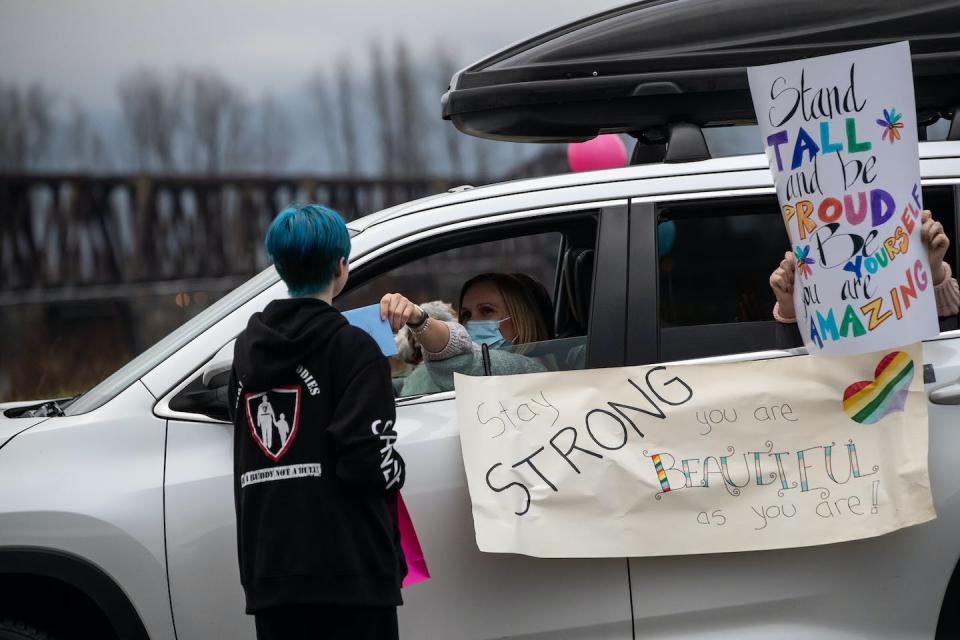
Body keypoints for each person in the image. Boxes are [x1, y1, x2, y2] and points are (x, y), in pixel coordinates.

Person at [227, 203, 406, 640]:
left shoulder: (246, 353)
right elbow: (365, 462)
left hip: (271, 570)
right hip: (350, 570)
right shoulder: (353, 348)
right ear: (341, 267)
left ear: (280, 268)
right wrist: (396, 468)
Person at [770, 209, 960, 326]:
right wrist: (790, 306)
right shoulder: (805, 277)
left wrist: (932, 270)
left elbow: (948, 323)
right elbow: (799, 353)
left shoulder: (903, 260)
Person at [380, 273, 554, 396]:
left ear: (521, 321)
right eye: (466, 315)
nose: (471, 322)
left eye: (487, 310)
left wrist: (418, 319)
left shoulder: (531, 371)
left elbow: (462, 363)